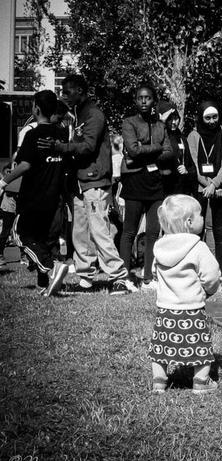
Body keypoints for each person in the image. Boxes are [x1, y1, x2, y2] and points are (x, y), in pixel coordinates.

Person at [37, 74, 134, 295]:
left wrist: (60, 147)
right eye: (62, 91)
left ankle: (119, 277)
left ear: (80, 90)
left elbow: (89, 146)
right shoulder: (77, 114)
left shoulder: (94, 114)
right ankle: (85, 276)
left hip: (95, 180)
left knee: (99, 230)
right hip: (79, 182)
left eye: (68, 91)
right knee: (79, 232)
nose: (64, 95)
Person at [148, 194, 220, 394]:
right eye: (200, 215)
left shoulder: (160, 247)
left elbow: (154, 271)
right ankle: (200, 380)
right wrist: (207, 291)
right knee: (199, 345)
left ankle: (159, 380)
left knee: (161, 346)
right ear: (189, 222)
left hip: (165, 308)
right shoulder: (198, 247)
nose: (203, 218)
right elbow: (212, 275)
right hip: (192, 309)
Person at [0, 90, 69, 296]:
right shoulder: (61, 134)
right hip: (53, 196)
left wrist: (3, 182)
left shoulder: (32, 134)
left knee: (20, 234)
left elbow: (24, 165)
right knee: (42, 239)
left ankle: (50, 266)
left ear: (36, 109)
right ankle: (44, 284)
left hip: (33, 197)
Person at [120, 85, 173, 291]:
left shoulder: (161, 125)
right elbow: (132, 150)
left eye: (148, 98)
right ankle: (124, 276)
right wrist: (156, 149)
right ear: (135, 100)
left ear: (154, 101)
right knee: (129, 232)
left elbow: (169, 152)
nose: (144, 101)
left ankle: (149, 276)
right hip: (134, 182)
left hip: (155, 182)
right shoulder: (129, 122)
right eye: (140, 98)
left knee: (153, 232)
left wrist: (147, 151)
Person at [187, 100, 222, 281]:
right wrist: (206, 185)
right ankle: (196, 271)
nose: (212, 121)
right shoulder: (193, 135)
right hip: (200, 187)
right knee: (197, 230)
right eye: (207, 118)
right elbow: (193, 163)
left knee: (220, 230)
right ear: (201, 117)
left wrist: (214, 184)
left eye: (215, 117)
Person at [157, 100, 198, 196]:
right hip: (165, 186)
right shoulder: (160, 135)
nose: (174, 122)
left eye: (176, 119)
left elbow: (189, 162)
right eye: (170, 119)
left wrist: (186, 170)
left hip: (182, 186)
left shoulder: (181, 137)